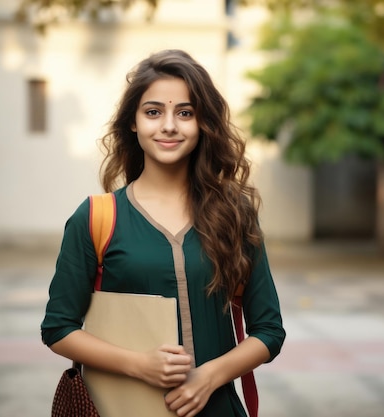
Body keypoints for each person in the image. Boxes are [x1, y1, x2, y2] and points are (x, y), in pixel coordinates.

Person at [41, 49, 285, 417]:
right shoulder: (96, 217)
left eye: (185, 113)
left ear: (204, 124)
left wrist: (208, 377)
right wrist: (138, 364)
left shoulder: (234, 215)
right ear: (133, 123)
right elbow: (58, 329)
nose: (169, 125)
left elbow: (269, 331)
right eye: (153, 112)